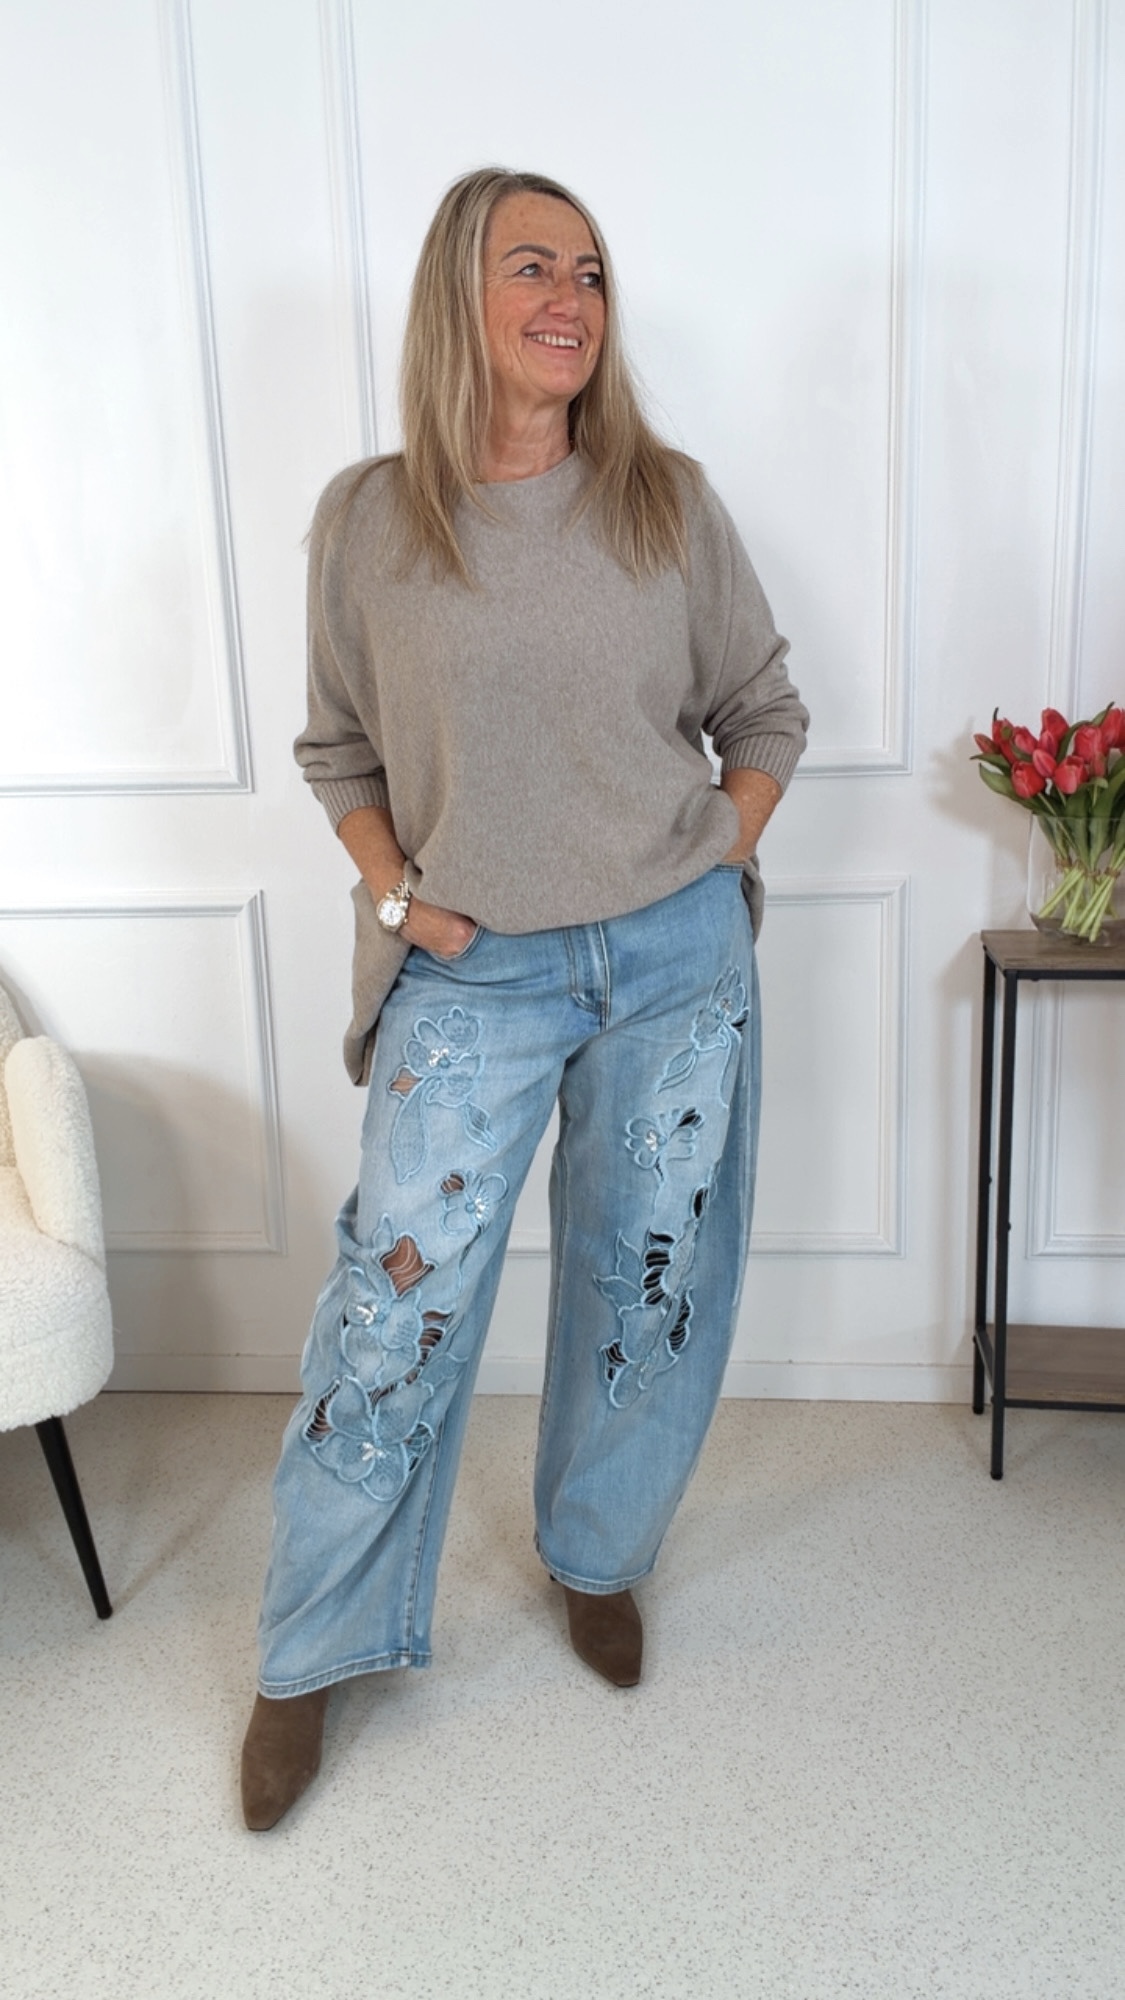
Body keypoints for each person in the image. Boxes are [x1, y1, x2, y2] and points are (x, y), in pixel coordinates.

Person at [241, 167, 808, 1830]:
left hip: (672, 968)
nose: (570, 299)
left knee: (649, 1291)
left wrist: (710, 858)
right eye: (531, 267)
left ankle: (597, 1557)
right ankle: (308, 1649)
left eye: (592, 272)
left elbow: (762, 712)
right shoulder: (371, 521)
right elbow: (338, 751)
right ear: (458, 297)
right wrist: (396, 899)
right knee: (389, 1319)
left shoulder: (663, 504)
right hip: (470, 970)